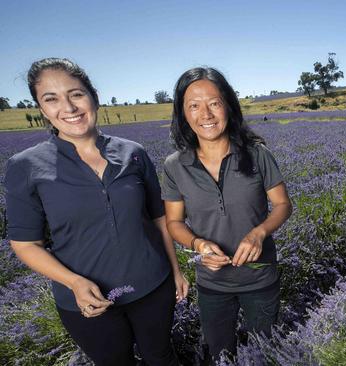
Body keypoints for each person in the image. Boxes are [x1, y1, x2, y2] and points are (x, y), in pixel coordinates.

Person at [4, 58, 189, 366]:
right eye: (51, 99)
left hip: (153, 286)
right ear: (42, 109)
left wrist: (176, 270)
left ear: (93, 96)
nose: (69, 107)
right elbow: (25, 243)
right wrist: (74, 282)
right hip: (88, 304)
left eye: (76, 94)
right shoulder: (25, 167)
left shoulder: (134, 153)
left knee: (161, 357)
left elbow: (159, 218)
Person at [161, 67, 292, 359]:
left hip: (260, 277)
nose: (205, 114)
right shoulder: (174, 166)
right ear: (182, 114)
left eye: (214, 103)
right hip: (212, 283)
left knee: (266, 351)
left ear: (228, 106)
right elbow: (174, 222)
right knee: (219, 353)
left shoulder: (257, 154)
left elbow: (283, 205)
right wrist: (199, 244)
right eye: (193, 106)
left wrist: (259, 233)